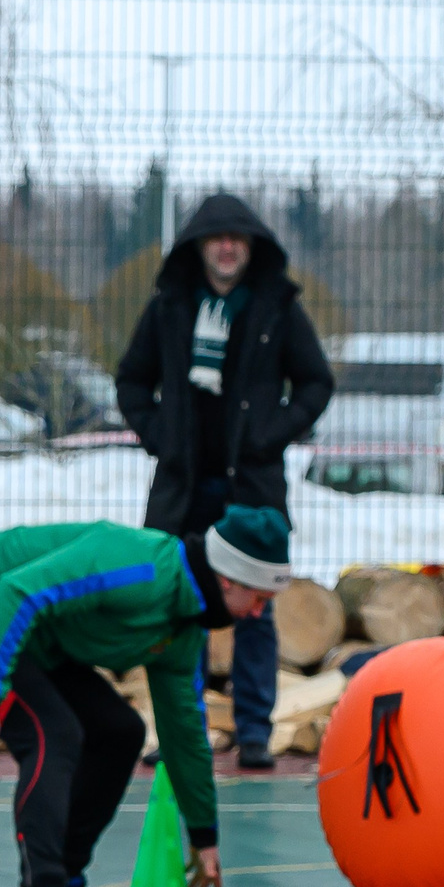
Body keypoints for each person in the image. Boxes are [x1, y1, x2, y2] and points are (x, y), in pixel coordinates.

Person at [0, 506, 291, 887]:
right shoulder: (141, 568)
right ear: (228, 580)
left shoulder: (182, 629)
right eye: (259, 599)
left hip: (33, 637)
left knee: (119, 732)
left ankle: (64, 885)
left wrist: (204, 835)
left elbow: (184, 732)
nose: (259, 614)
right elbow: (18, 592)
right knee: (52, 734)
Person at [115, 193, 333, 769]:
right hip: (183, 489)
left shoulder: (277, 307)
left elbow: (315, 383)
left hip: (252, 493)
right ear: (199, 247)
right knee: (177, 608)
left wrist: (270, 434)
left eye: (237, 238)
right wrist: (162, 436)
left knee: (256, 612)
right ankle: (180, 732)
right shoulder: (169, 307)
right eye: (217, 238)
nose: (228, 247)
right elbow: (132, 381)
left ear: (252, 246)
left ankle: (254, 730)